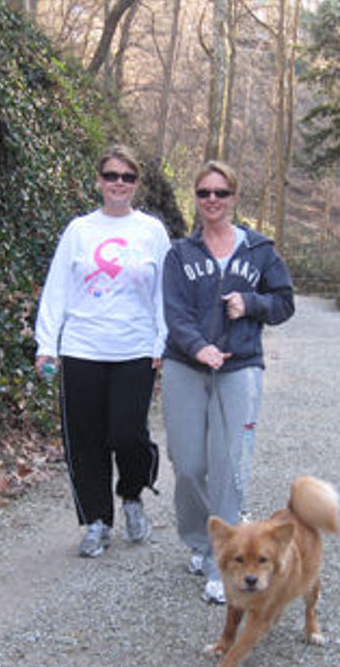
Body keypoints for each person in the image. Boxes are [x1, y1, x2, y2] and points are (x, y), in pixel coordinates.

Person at [161, 159, 295, 603]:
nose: (212, 201)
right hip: (187, 365)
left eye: (221, 193)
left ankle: (225, 563)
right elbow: (175, 313)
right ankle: (200, 541)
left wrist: (251, 302)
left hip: (240, 367)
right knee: (188, 463)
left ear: (235, 197)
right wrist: (198, 346)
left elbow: (283, 302)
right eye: (204, 193)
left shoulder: (259, 251)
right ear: (196, 199)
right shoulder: (181, 254)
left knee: (228, 462)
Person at [34, 145, 172, 557]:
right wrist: (47, 345)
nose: (118, 184)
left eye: (127, 177)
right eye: (111, 176)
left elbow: (166, 291)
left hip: (135, 349)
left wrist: (162, 340)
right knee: (86, 439)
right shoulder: (79, 231)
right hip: (82, 348)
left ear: (136, 185)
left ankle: (132, 494)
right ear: (99, 181)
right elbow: (57, 289)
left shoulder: (151, 231)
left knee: (126, 433)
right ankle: (96, 520)